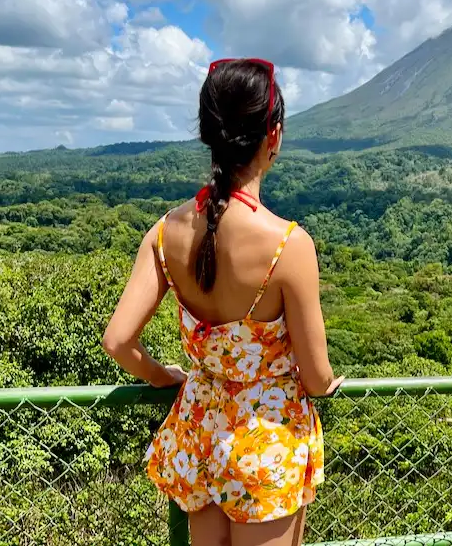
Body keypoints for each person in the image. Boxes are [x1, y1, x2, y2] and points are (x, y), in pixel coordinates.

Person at [102, 58, 342, 546]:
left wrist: (164, 375)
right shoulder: (289, 246)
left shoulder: (166, 231)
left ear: (209, 133)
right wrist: (329, 383)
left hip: (200, 434)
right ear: (273, 136)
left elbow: (118, 340)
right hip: (266, 445)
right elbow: (316, 380)